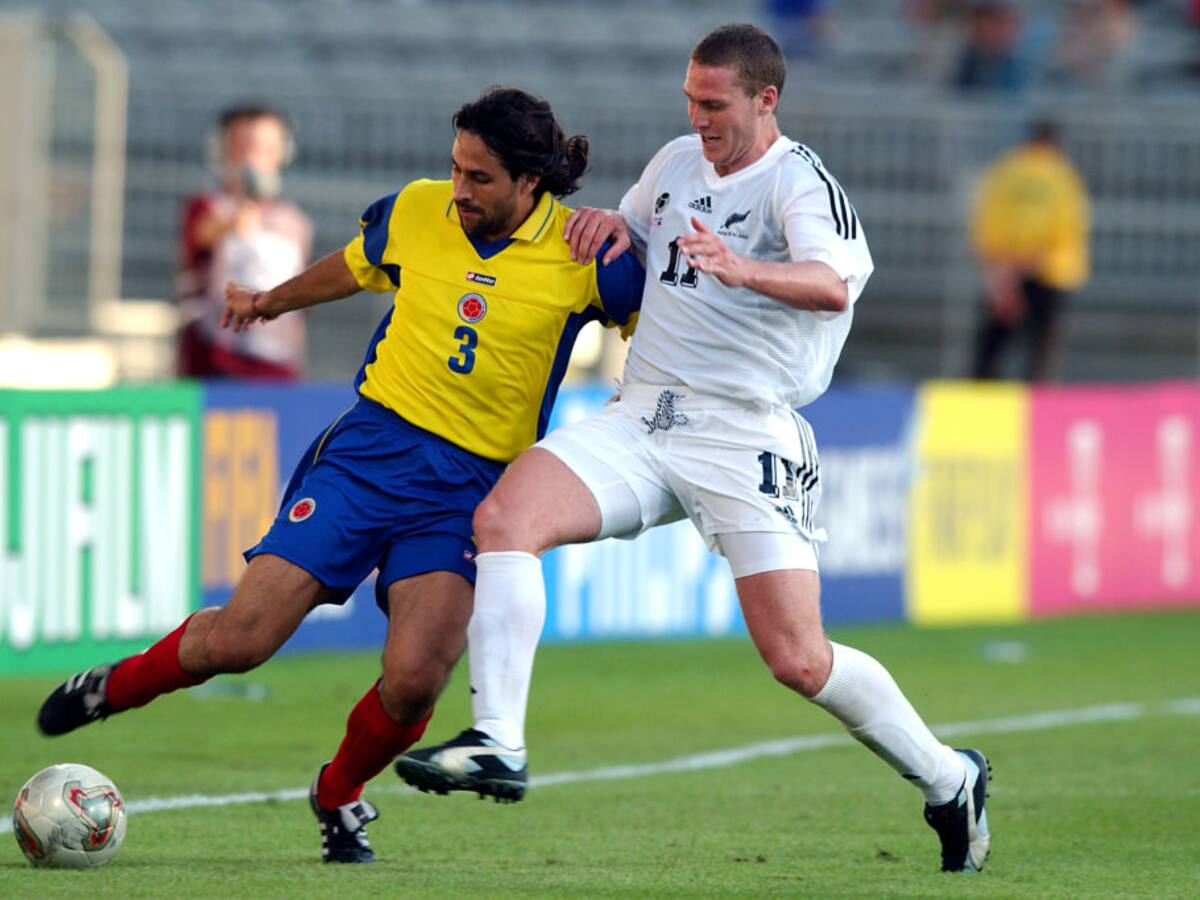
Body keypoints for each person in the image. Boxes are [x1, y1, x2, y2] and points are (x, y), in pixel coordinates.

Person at [396, 24, 992, 874]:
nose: (699, 117)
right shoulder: (676, 160)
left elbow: (831, 284)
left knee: (797, 658)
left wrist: (743, 268)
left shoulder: (800, 182)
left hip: (744, 430)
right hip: (645, 414)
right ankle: (499, 741)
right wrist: (609, 226)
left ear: (765, 99)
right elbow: (634, 238)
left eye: (714, 105)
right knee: (505, 520)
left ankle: (947, 777)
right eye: (691, 99)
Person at [36, 87, 643, 864]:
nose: (459, 190)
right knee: (244, 641)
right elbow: (357, 267)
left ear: (532, 183)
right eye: (456, 169)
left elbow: (662, 327)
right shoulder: (417, 210)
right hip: (368, 454)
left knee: (418, 679)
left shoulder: (589, 258)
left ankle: (338, 793)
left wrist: (630, 229)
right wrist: (266, 302)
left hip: (468, 492)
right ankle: (113, 686)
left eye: (481, 178)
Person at [177, 104, 312, 380]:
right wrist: (233, 221)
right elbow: (200, 236)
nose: (253, 157)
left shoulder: (295, 222)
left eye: (265, 147)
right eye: (244, 146)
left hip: (277, 363)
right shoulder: (207, 207)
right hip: (215, 358)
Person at [970, 119, 1090, 381]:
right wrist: (1025, 264)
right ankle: (1040, 412)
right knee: (1040, 357)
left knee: (990, 353)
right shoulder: (1062, 176)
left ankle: (976, 411)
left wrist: (1003, 277)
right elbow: (1063, 229)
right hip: (1049, 274)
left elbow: (987, 223)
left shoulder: (1004, 171)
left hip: (1004, 272)